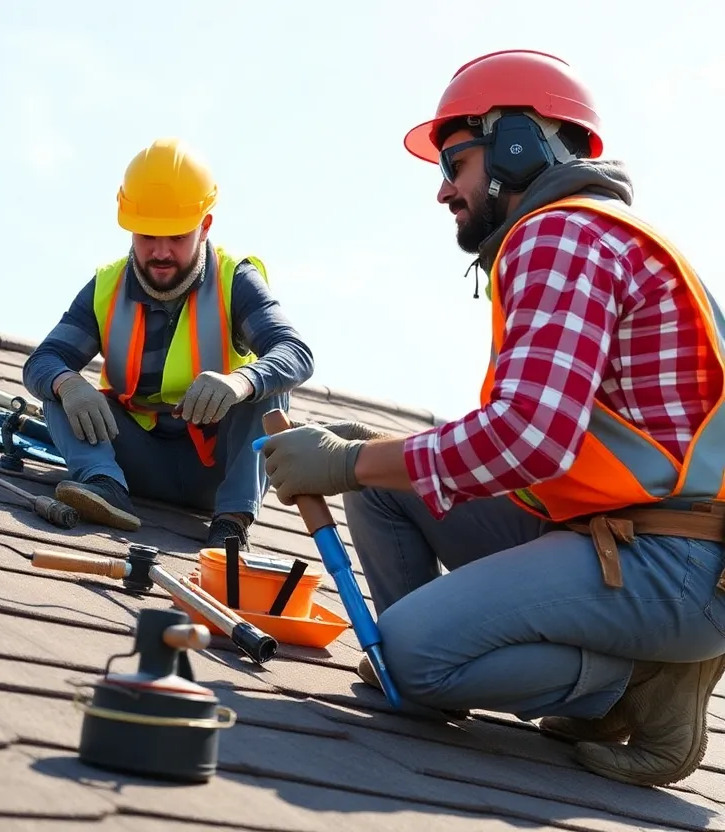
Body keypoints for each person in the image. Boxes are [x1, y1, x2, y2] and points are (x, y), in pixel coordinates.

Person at [257, 49, 725, 788]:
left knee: (410, 652)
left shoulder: (560, 234)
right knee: (384, 488)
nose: (444, 190)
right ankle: (428, 669)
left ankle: (636, 681)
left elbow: (528, 436)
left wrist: (347, 462)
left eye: (454, 161)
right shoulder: (586, 234)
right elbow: (533, 445)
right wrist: (367, 459)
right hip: (623, 542)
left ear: (517, 143)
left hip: (670, 564)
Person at [23, 137, 314, 550]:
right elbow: (43, 360)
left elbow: (295, 353)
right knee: (59, 386)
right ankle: (104, 487)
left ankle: (231, 526)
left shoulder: (236, 281)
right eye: (147, 236)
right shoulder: (106, 286)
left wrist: (240, 381)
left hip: (214, 473)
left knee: (269, 390)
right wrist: (68, 385)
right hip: (132, 461)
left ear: (205, 226)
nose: (160, 252)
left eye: (177, 237)